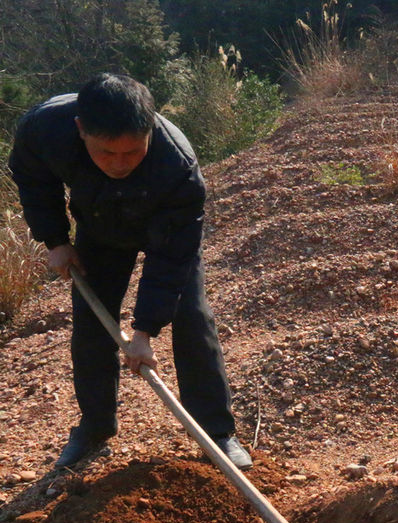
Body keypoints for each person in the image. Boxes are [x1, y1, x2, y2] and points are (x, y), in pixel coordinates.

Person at [8, 73, 252, 470]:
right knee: (92, 327)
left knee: (191, 318)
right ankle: (95, 427)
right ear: (81, 130)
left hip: (164, 230)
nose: (120, 164)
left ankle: (216, 433)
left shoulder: (178, 165)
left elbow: (172, 260)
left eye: (133, 153)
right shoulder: (44, 129)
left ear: (150, 129)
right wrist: (56, 240)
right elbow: (35, 182)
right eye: (107, 153)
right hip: (99, 227)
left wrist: (143, 334)